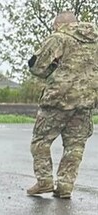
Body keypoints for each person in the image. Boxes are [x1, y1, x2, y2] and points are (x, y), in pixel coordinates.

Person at [26, 11, 98, 198]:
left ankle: (44, 181)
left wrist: (53, 68)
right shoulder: (95, 41)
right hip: (86, 101)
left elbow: (37, 67)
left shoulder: (58, 38)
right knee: (75, 146)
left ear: (59, 24)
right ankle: (65, 185)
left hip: (58, 100)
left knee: (41, 141)